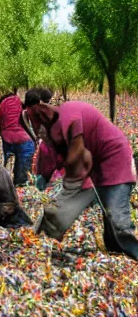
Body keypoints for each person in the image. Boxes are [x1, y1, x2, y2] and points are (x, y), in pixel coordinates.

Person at [26, 101, 138, 259]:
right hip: (96, 166)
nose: (43, 137)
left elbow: (79, 159)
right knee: (109, 219)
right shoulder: (60, 132)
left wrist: (66, 196)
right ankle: (117, 252)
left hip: (116, 158)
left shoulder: (68, 116)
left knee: (117, 217)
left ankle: (134, 254)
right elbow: (70, 167)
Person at [0, 93, 35, 186]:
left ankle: (8, 175)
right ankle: (20, 180)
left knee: (9, 154)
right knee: (24, 156)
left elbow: (0, 121)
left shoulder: (3, 105)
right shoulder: (18, 101)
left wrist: (0, 133)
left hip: (6, 136)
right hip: (22, 138)